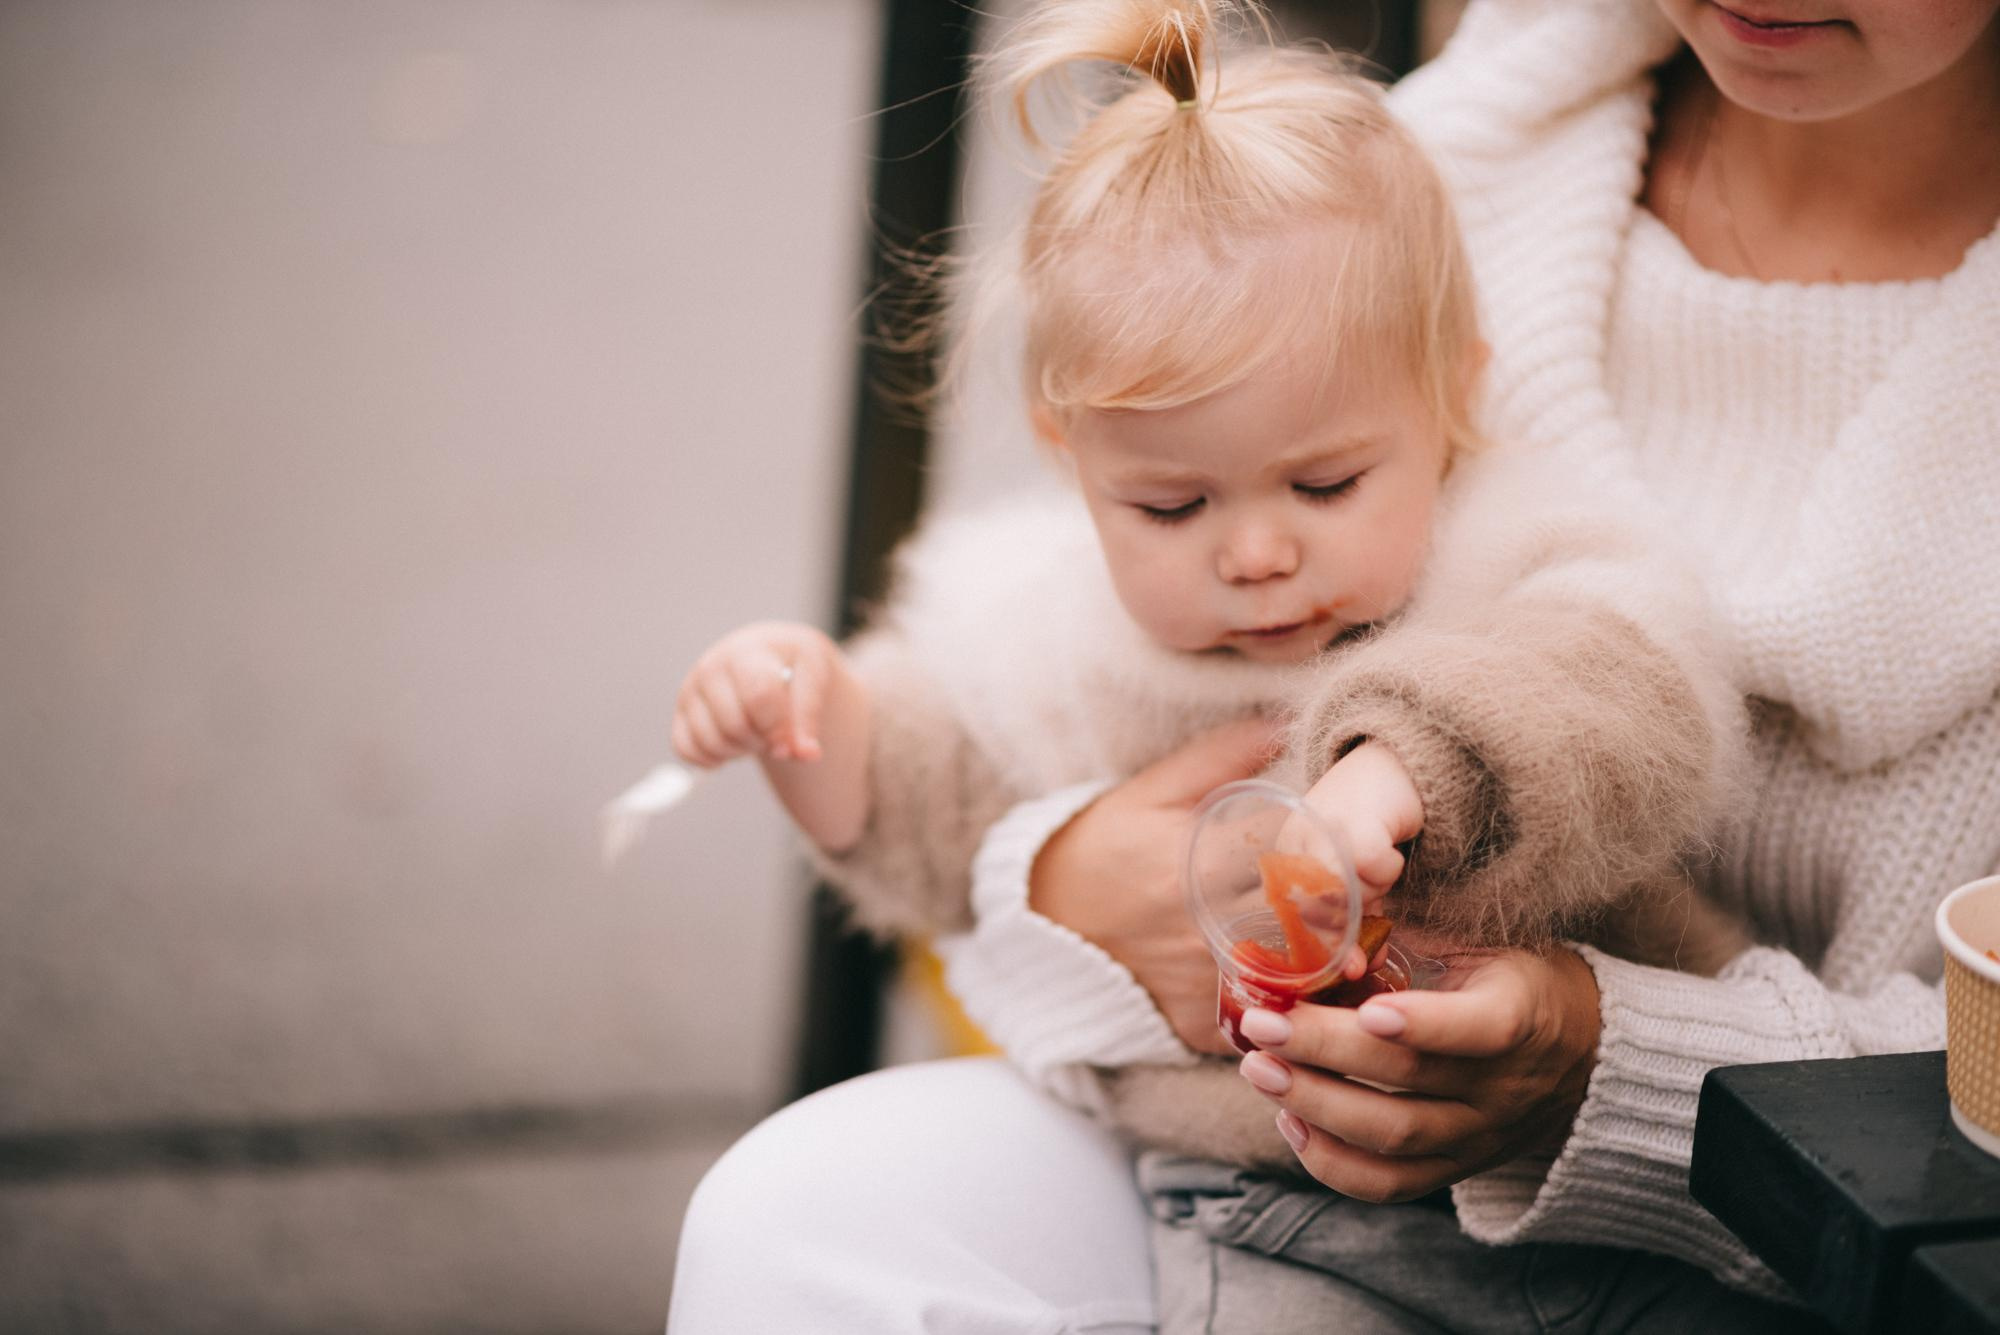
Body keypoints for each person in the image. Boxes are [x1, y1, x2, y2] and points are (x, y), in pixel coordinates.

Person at [669, 0, 2000, 1331]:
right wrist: (821, 728)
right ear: (1075, 464)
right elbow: (938, 789)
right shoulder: (1405, 174)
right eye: (1172, 510)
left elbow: (1609, 686)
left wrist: (1397, 773)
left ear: (1455, 406)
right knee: (790, 1216)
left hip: (1706, 1234)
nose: (1253, 555)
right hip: (1240, 1185)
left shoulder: (1497, 532)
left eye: (1325, 483)